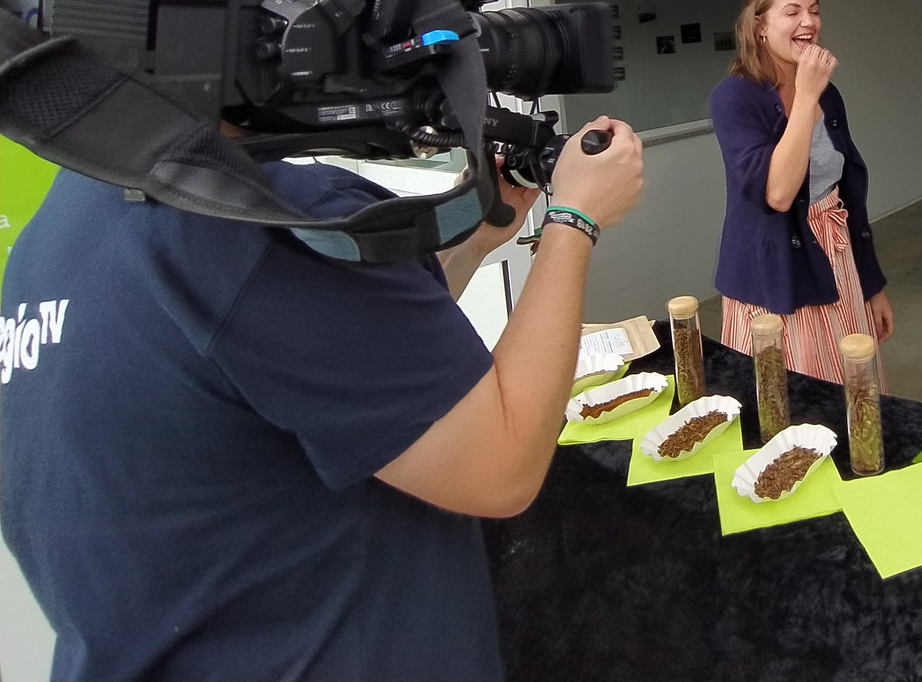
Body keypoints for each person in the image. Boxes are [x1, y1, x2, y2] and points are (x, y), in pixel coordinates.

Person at [0, 117, 644, 681]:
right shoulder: (264, 218)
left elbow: (355, 371)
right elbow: (504, 463)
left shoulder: (61, 229)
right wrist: (573, 221)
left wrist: (473, 242)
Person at [709, 0, 892, 384]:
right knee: (792, 400)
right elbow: (777, 193)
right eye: (792, 12)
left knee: (855, 392)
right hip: (773, 275)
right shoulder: (734, 97)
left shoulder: (829, 93)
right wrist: (807, 95)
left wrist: (871, 285)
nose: (808, 22)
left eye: (814, 10)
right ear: (760, 25)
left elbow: (847, 196)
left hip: (836, 253)